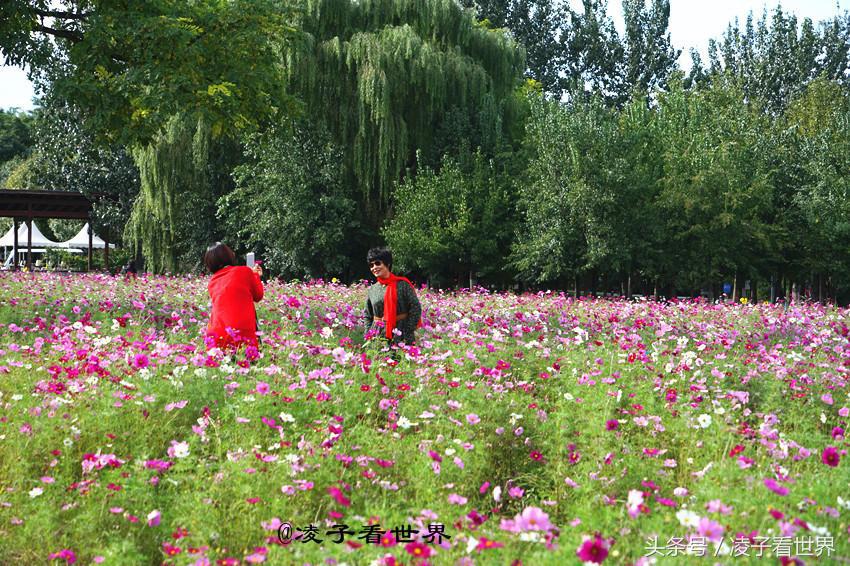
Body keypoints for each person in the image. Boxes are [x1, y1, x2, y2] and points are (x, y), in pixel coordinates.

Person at [203, 242, 264, 349]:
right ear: (229, 255)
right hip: (241, 334)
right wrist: (255, 275)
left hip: (216, 337)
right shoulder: (245, 271)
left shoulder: (212, 282)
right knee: (247, 362)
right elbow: (258, 296)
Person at [363, 247, 422, 346]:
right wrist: (368, 333)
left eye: (377, 263)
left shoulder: (402, 284)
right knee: (378, 360)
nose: (374, 267)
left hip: (401, 334)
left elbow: (415, 308)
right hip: (378, 335)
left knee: (401, 360)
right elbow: (368, 315)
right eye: (371, 265)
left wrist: (408, 330)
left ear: (387, 264)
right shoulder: (373, 289)